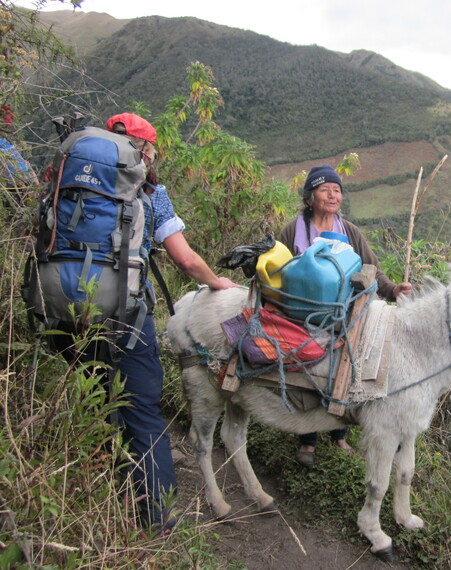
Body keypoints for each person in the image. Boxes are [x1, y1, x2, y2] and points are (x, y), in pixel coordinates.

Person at [51, 113, 237, 532]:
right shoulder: (150, 190)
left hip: (60, 307)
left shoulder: (68, 177)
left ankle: (92, 493)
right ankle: (159, 522)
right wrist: (217, 282)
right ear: (146, 150)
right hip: (125, 317)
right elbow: (186, 259)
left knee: (95, 398)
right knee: (144, 413)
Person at [278, 164, 412, 467]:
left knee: (346, 371)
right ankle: (307, 438)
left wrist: (393, 290)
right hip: (303, 317)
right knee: (310, 372)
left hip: (343, 316)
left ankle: (339, 434)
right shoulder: (293, 230)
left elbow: (372, 269)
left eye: (337, 190)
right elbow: (278, 268)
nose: (332, 195)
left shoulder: (349, 231)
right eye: (324, 189)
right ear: (310, 196)